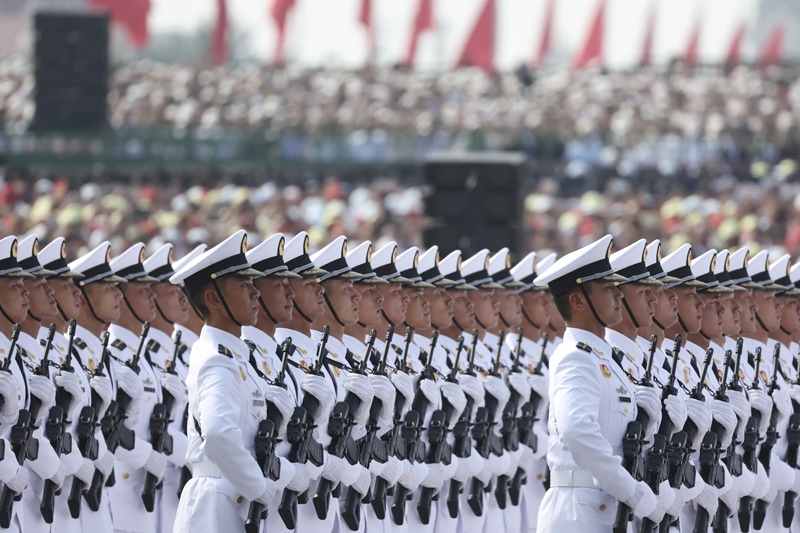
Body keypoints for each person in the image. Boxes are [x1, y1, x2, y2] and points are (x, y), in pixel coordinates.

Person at [533, 234, 673, 532]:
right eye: (608, 289)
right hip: (580, 511)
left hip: (606, 507)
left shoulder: (606, 358)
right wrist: (632, 491)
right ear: (577, 301)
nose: (619, 295)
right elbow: (577, 431)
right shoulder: (576, 357)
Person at [172, 230, 294, 532]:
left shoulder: (236, 356)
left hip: (232, 498)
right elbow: (217, 434)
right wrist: (258, 486)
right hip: (217, 506)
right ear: (213, 298)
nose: (255, 293)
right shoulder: (217, 357)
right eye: (244, 285)